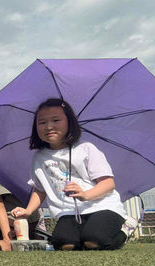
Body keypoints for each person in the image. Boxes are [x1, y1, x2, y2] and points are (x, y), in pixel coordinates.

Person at [12, 99, 127, 250]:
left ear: (69, 123)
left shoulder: (86, 149)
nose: (49, 126)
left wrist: (85, 194)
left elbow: (108, 184)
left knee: (94, 241)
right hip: (67, 212)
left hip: (102, 206)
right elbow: (40, 189)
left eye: (56, 120)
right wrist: (28, 211)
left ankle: (125, 231)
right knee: (66, 245)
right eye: (42, 122)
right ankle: (83, 237)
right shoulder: (39, 158)